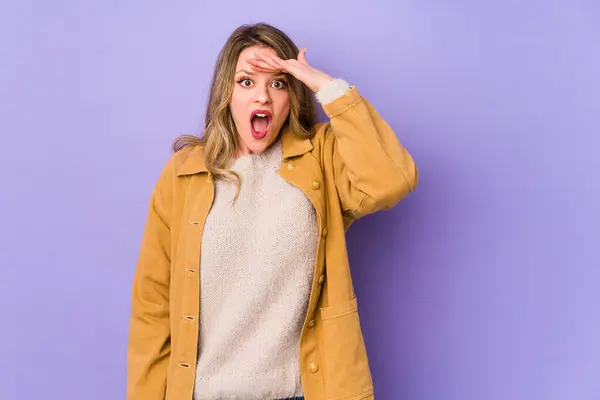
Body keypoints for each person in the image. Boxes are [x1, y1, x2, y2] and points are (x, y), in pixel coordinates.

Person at [126, 22, 418, 400]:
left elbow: (392, 179)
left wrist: (325, 86)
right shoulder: (185, 173)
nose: (262, 97)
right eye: (246, 82)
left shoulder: (322, 158)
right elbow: (153, 306)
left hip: (299, 392)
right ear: (225, 93)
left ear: (293, 95)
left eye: (278, 83)